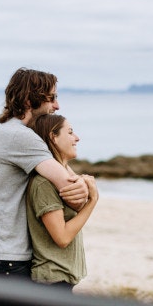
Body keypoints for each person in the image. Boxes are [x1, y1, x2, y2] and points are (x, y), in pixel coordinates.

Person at [0, 67, 90, 279]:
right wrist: (87, 188)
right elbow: (70, 188)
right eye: (51, 98)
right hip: (6, 259)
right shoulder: (21, 137)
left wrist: (81, 182)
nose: (57, 106)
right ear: (28, 100)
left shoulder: (9, 133)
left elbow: (60, 169)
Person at [26, 114, 99, 291]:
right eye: (70, 132)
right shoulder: (44, 183)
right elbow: (62, 237)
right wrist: (93, 200)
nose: (77, 138)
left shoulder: (65, 178)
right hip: (52, 279)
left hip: (61, 279)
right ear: (53, 136)